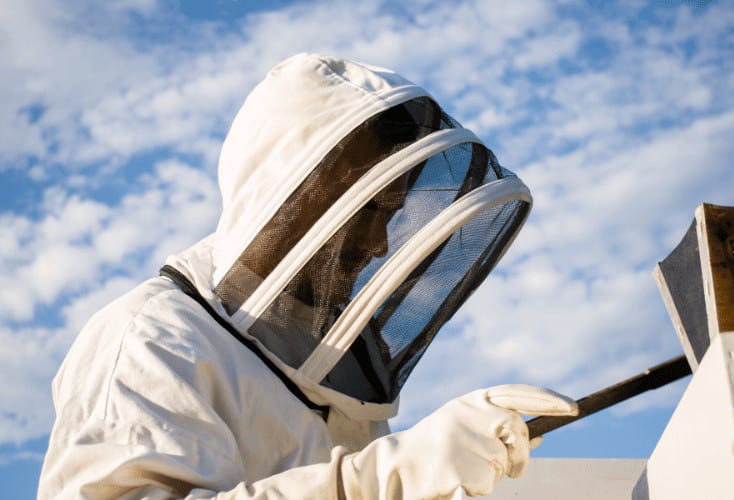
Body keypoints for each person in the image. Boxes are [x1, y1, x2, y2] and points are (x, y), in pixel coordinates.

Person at [38, 53, 577, 499]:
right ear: (291, 192)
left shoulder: (341, 387)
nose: (378, 245)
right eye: (369, 210)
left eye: (390, 215)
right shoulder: (151, 341)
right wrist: (382, 479)